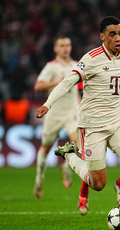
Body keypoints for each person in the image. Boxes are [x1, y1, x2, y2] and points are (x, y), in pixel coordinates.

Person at [36, 16, 120, 230]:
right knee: (98, 184)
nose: (118, 38)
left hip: (118, 122)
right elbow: (66, 83)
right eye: (112, 34)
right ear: (102, 36)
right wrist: (48, 104)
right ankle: (70, 155)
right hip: (92, 127)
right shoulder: (91, 59)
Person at [77, 28, 120, 215]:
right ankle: (84, 193)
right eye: (118, 37)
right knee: (94, 162)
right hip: (100, 116)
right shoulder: (98, 60)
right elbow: (82, 85)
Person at [33, 37, 81, 198]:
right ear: (55, 49)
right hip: (54, 113)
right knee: (46, 147)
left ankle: (67, 166)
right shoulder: (51, 67)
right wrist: (57, 83)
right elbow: (38, 85)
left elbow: (76, 92)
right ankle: (39, 178)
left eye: (67, 45)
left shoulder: (76, 65)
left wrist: (81, 107)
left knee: (79, 141)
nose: (65, 48)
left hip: (72, 112)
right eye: (61, 46)